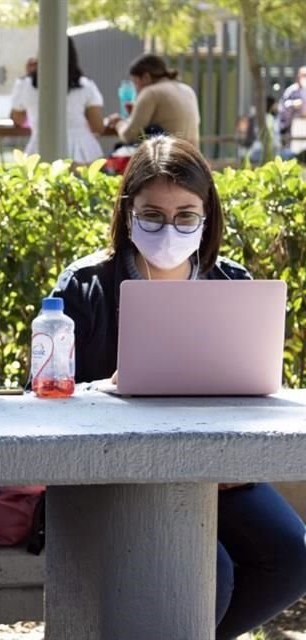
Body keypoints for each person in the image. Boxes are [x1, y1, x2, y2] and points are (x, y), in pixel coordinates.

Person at [51, 135, 306, 640]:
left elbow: (256, 390)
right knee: (212, 571)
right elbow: (48, 400)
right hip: (114, 479)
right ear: (127, 213)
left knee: (292, 558)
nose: (170, 229)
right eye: (152, 214)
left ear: (207, 215)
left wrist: (238, 459)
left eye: (186, 215)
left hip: (220, 475)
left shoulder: (233, 285)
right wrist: (106, 388)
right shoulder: (85, 286)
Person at [10, 37, 104, 163]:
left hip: (39, 148)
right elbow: (97, 126)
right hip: (82, 151)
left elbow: (18, 118)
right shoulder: (85, 85)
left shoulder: (25, 84)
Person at [107, 54, 200, 148]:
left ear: (146, 77)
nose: (135, 90)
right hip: (192, 157)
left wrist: (118, 123)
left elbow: (129, 135)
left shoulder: (150, 92)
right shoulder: (187, 89)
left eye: (135, 82)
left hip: (168, 158)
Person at [278, 67, 306, 149]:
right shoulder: (292, 90)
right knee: (297, 147)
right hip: (296, 123)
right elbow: (283, 106)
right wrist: (293, 104)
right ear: (299, 76)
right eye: (304, 75)